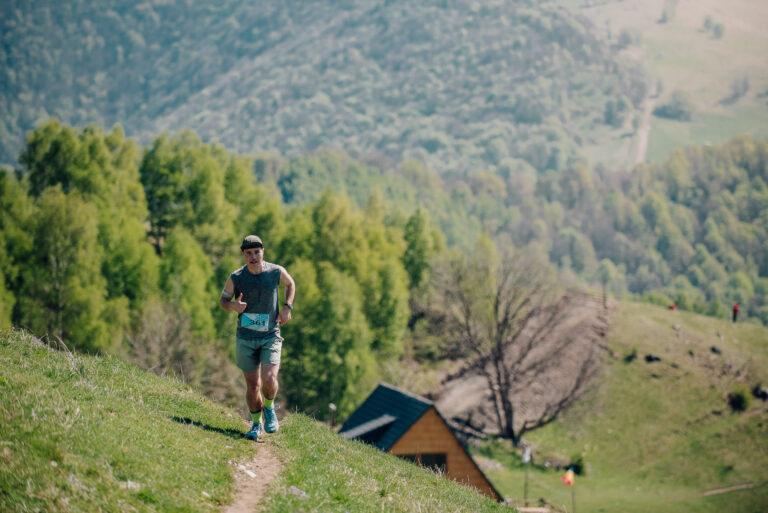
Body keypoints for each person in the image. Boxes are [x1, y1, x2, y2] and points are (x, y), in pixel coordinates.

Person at [220, 235, 296, 441]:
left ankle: (269, 408)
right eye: (249, 253)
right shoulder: (236, 277)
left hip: (270, 335)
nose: (253, 256)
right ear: (243, 255)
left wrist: (287, 307)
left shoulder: (275, 272)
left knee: (270, 380)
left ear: (263, 251)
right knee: (253, 386)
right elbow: (223, 300)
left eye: (257, 252)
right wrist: (233, 306)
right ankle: (256, 424)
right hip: (246, 338)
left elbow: (290, 284)